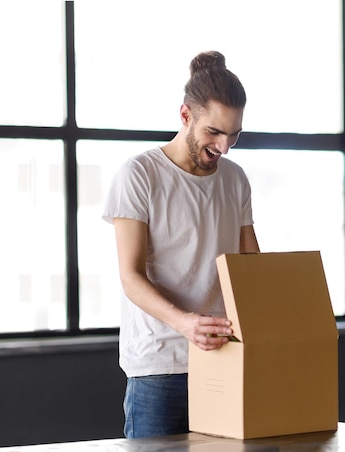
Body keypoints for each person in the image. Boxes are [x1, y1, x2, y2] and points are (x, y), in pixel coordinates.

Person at [102, 50, 260, 439]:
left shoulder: (235, 179)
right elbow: (130, 276)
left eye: (234, 134)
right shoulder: (139, 175)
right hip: (160, 364)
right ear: (185, 116)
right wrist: (186, 324)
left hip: (224, 359)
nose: (224, 147)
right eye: (214, 132)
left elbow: (251, 266)